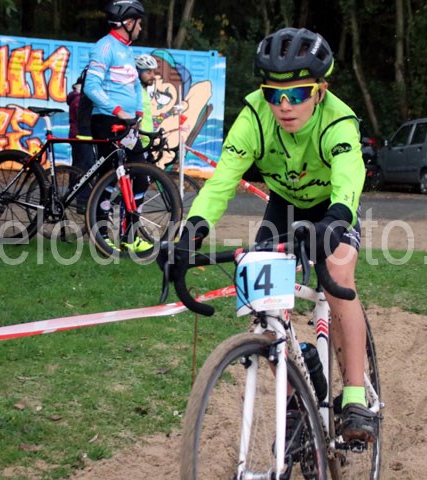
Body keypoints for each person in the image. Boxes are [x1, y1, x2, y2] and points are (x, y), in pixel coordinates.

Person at [159, 27, 376, 447]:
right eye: (274, 94)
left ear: (320, 91)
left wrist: (335, 221)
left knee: (338, 275)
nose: (284, 105)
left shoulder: (339, 120)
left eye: (297, 94)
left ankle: (354, 396)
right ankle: (294, 396)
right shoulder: (254, 117)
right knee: (261, 301)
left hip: (333, 208)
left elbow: (349, 180)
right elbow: (222, 181)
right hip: (284, 206)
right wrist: (190, 234)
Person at [83, 0, 151, 253]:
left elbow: (134, 85)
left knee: (141, 178)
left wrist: (138, 111)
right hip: (107, 121)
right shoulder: (105, 47)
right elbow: (91, 87)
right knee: (109, 178)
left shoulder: (127, 50)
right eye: (139, 23)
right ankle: (101, 235)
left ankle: (130, 236)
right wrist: (118, 111)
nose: (141, 27)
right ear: (128, 22)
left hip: (128, 123)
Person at [66, 73, 95, 212]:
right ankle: (82, 201)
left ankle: (71, 194)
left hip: (76, 136)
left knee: (78, 166)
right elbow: (84, 117)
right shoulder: (78, 99)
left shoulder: (74, 98)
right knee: (85, 167)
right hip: (81, 136)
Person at [135, 53, 158, 148]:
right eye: (148, 72)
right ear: (138, 73)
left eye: (153, 72)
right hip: (138, 141)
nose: (153, 76)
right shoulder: (135, 91)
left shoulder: (143, 91)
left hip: (147, 141)